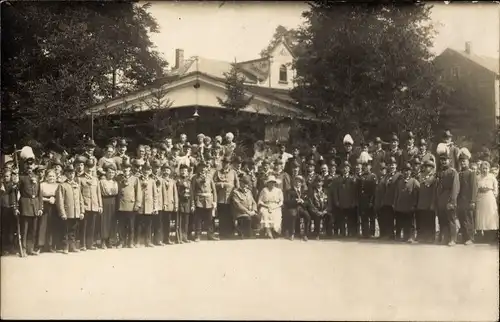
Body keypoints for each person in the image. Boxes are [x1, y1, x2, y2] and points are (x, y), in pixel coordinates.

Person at [56, 165, 85, 254]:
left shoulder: (76, 185)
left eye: (73, 173)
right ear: (66, 174)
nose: (71, 175)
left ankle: (72, 246)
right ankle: (65, 246)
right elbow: (60, 200)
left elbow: (81, 199)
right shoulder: (62, 185)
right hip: (67, 212)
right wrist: (62, 213)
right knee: (66, 229)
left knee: (73, 229)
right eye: (69, 173)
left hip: (76, 212)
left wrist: (82, 211)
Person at [18, 159, 43, 255]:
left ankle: (30, 248)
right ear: (25, 166)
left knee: (33, 229)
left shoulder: (37, 177)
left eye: (31, 166)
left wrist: (40, 207)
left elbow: (40, 194)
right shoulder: (21, 178)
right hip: (25, 205)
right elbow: (17, 192)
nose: (29, 168)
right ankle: (23, 249)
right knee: (24, 229)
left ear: (34, 167)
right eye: (28, 167)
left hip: (35, 206)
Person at [77, 159, 102, 251]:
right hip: (85, 205)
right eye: (88, 167)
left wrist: (100, 205)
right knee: (84, 225)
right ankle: (82, 244)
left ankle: (90, 244)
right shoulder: (80, 179)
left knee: (92, 226)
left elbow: (98, 193)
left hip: (94, 205)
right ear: (85, 167)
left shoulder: (96, 179)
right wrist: (81, 206)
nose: (89, 169)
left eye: (91, 167)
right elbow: (79, 193)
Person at [190, 162, 219, 242]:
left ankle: (210, 235)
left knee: (210, 219)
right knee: (198, 219)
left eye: (204, 168)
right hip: (199, 200)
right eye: (201, 168)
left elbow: (214, 191)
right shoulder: (195, 178)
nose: (203, 170)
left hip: (209, 200)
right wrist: (192, 203)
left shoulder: (209, 177)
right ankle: (197, 235)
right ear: (198, 169)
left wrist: (215, 201)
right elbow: (192, 191)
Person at [436, 153, 460, 246]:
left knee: (451, 219)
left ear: (449, 161)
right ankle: (444, 238)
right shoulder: (440, 172)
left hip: (449, 197)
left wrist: (452, 202)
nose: (443, 161)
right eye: (441, 160)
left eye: (445, 160)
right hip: (441, 199)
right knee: (442, 219)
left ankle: (453, 239)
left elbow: (455, 188)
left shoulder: (453, 172)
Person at [116, 160, 141, 248]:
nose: (125, 169)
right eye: (124, 167)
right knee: (121, 225)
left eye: (127, 167)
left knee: (131, 226)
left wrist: (137, 204)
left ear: (130, 169)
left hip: (131, 205)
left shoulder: (135, 179)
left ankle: (130, 242)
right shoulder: (118, 178)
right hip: (121, 205)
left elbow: (138, 192)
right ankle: (122, 242)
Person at [213, 157, 239, 239]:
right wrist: (220, 184)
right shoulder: (217, 172)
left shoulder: (233, 172)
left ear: (229, 164)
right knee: (222, 216)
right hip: (221, 197)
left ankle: (230, 233)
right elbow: (213, 184)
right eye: (224, 162)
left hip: (230, 197)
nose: (225, 164)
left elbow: (237, 184)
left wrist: (235, 191)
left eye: (227, 163)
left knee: (230, 215)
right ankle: (222, 233)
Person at [393, 163, 420, 243]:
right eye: (404, 171)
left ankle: (410, 237)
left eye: (408, 171)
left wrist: (414, 204)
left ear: (410, 172)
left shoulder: (414, 181)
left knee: (410, 223)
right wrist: (394, 203)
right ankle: (399, 236)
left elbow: (417, 193)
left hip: (409, 206)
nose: (406, 172)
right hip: (400, 206)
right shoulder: (399, 182)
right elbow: (396, 194)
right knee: (399, 222)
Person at [457, 148, 477, 245]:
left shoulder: (471, 173)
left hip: (468, 200)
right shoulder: (459, 173)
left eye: (464, 161)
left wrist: (473, 201)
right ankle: (465, 237)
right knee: (462, 218)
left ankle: (470, 238)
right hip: (460, 200)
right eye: (461, 162)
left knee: (468, 219)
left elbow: (474, 187)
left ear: (468, 161)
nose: (462, 163)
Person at [135, 163, 159, 247]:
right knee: (138, 224)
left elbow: (155, 195)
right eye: (145, 169)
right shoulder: (138, 179)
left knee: (148, 225)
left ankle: (148, 241)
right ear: (142, 170)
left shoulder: (152, 181)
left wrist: (155, 207)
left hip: (149, 205)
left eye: (148, 170)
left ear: (150, 171)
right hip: (140, 205)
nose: (146, 171)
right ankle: (138, 241)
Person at [475, 161, 498, 244]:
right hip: (480, 198)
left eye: (486, 168)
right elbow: (476, 188)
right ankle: (481, 233)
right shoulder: (478, 177)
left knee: (489, 215)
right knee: (481, 216)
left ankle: (491, 234)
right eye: (483, 168)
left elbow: (495, 188)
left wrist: (493, 195)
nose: (485, 170)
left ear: (489, 169)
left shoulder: (492, 177)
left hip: (489, 197)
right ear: (480, 169)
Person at [37, 169, 59, 253]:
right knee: (43, 225)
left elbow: (60, 197)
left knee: (52, 225)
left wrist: (55, 199)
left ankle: (50, 245)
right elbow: (39, 197)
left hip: (54, 207)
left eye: (53, 176)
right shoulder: (42, 185)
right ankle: (40, 245)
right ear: (46, 177)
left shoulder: (58, 185)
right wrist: (47, 199)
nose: (51, 178)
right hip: (45, 206)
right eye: (50, 176)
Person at [332, 161, 357, 237]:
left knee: (350, 218)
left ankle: (350, 232)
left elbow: (355, 192)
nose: (345, 169)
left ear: (349, 169)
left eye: (347, 168)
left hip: (350, 202)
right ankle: (343, 232)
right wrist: (336, 201)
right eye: (344, 168)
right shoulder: (337, 179)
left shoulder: (353, 179)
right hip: (341, 202)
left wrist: (354, 201)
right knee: (341, 218)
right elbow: (335, 191)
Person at [156, 162, 179, 245]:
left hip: (170, 204)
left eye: (168, 170)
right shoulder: (159, 180)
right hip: (161, 204)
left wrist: (176, 205)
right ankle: (159, 239)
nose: (166, 172)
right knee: (160, 223)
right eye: (165, 170)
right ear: (162, 171)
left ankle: (167, 239)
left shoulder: (172, 181)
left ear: (170, 172)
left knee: (167, 223)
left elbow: (175, 194)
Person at [230, 175, 259, 239]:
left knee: (257, 217)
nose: (246, 186)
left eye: (247, 184)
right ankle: (241, 230)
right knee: (247, 218)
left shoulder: (249, 192)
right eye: (244, 184)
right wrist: (247, 212)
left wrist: (254, 210)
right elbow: (237, 205)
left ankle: (249, 232)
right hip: (240, 213)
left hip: (250, 212)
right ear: (240, 183)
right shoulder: (236, 192)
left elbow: (254, 202)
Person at [415, 160, 437, 243]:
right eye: (425, 166)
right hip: (422, 202)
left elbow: (434, 192)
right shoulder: (421, 176)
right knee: (423, 220)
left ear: (431, 168)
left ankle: (431, 237)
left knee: (430, 221)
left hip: (429, 202)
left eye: (428, 166)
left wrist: (432, 203)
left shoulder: (433, 177)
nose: (426, 168)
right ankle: (423, 236)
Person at [379, 157, 400, 240]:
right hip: (387, 200)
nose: (392, 167)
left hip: (395, 200)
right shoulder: (386, 176)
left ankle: (398, 235)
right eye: (390, 165)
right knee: (388, 218)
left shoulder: (399, 175)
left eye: (393, 165)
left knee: (398, 218)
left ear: (396, 166)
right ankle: (390, 234)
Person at [357, 157, 377, 238]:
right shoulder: (361, 176)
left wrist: (371, 201)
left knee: (371, 217)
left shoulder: (373, 176)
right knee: (364, 216)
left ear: (370, 167)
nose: (366, 167)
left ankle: (372, 233)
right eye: (364, 166)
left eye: (367, 166)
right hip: (363, 199)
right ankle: (365, 233)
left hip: (370, 198)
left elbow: (374, 190)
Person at [99, 163, 119, 249]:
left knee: (112, 221)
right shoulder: (102, 182)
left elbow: (117, 194)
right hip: (104, 201)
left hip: (113, 202)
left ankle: (110, 241)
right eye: (109, 172)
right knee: (104, 221)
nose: (111, 174)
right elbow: (99, 194)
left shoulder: (115, 182)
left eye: (113, 173)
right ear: (106, 173)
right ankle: (103, 240)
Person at [1, 169, 18, 255]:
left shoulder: (13, 185)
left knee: (12, 229)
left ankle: (12, 247)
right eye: (4, 176)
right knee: (5, 229)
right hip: (4, 208)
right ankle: (4, 248)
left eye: (7, 176)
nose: (6, 178)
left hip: (12, 208)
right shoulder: (2, 186)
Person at [176, 164, 192, 243]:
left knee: (186, 221)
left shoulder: (189, 180)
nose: (183, 172)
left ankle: (185, 237)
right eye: (182, 170)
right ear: (179, 171)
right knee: (179, 221)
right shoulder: (177, 180)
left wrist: (192, 204)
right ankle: (179, 238)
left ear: (187, 172)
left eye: (185, 170)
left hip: (187, 203)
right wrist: (182, 185)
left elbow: (191, 193)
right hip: (180, 202)